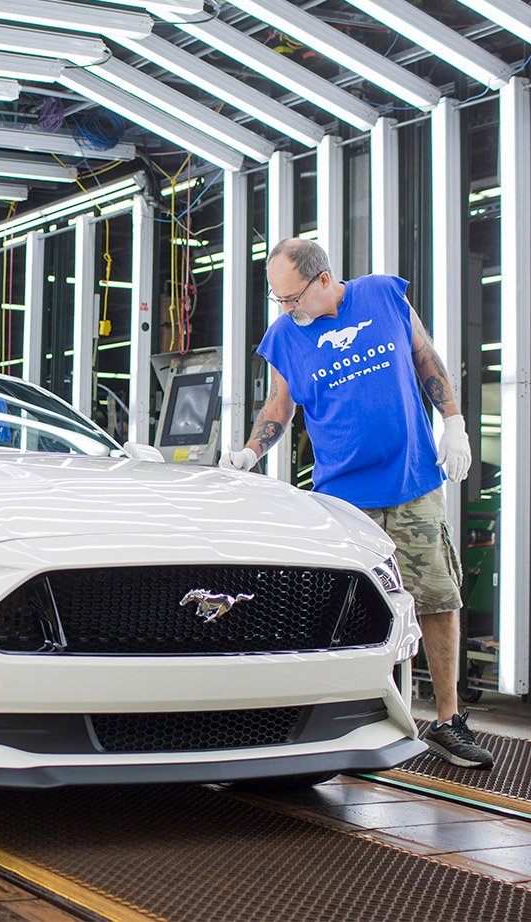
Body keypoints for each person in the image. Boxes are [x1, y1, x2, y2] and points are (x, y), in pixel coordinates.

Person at [221, 237, 493, 770]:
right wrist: (250, 453)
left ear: (323, 280)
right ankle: (337, 719)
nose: (286, 309)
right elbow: (280, 405)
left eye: (292, 298)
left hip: (412, 482)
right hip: (342, 502)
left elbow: (424, 357)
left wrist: (455, 422)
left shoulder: (385, 296)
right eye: (278, 300)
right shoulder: (285, 337)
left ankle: (447, 720)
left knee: (437, 599)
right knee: (341, 610)